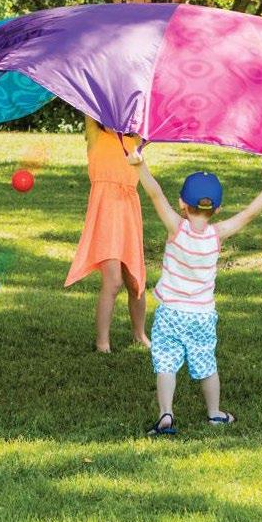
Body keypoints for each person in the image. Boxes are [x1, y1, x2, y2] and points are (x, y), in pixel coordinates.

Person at [128, 150, 262, 434]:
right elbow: (249, 213)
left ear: (182, 203)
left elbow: (155, 194)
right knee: (206, 364)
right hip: (201, 316)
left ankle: (166, 414)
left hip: (171, 313)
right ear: (218, 209)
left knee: (166, 364)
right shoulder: (218, 233)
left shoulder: (176, 228)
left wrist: (140, 165)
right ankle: (214, 414)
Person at [65, 116, 150, 352]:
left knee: (136, 281)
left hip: (129, 216)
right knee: (112, 281)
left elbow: (149, 111)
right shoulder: (95, 133)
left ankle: (140, 334)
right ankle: (102, 342)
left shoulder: (136, 139)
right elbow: (90, 99)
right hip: (105, 218)